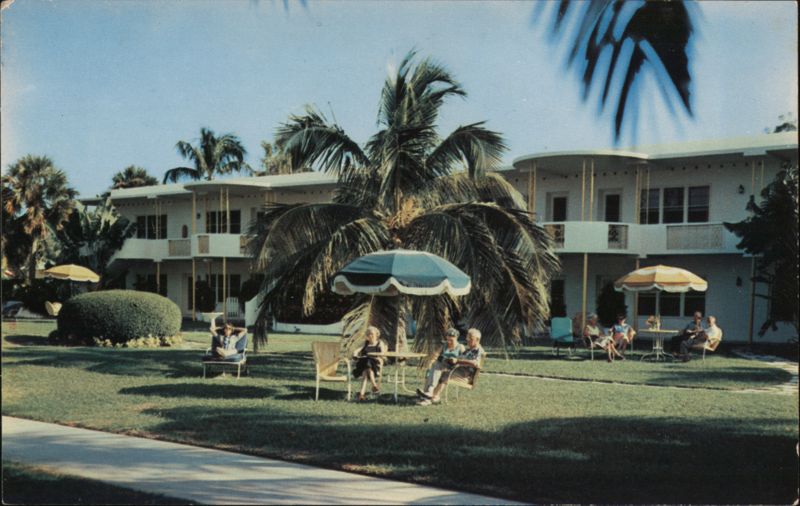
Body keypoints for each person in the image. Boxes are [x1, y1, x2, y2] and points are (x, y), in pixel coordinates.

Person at [418, 328, 484, 406]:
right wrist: (451, 360)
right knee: (437, 365)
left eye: (470, 338)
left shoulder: (478, 350)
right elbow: (460, 357)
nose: (467, 340)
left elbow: (475, 363)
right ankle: (430, 393)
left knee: (443, 373)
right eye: (467, 337)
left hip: (465, 374)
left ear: (477, 339)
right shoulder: (470, 349)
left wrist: (457, 361)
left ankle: (430, 396)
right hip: (458, 368)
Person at [416, 327, 466, 400]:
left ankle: (428, 392)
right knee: (432, 368)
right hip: (442, 365)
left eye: (451, 340)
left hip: (453, 368)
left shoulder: (460, 347)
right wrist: (432, 361)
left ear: (456, 338)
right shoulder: (444, 345)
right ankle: (427, 393)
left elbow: (464, 359)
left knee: (436, 367)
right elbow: (436, 355)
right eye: (448, 339)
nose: (449, 342)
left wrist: (456, 360)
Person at [352, 326, 388, 401]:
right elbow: (357, 350)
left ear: (376, 335)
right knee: (367, 365)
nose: (369, 335)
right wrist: (355, 354)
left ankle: (362, 394)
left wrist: (378, 356)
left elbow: (383, 353)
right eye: (368, 334)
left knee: (366, 370)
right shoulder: (365, 343)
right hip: (364, 363)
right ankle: (374, 385)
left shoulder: (380, 343)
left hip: (375, 363)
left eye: (371, 334)